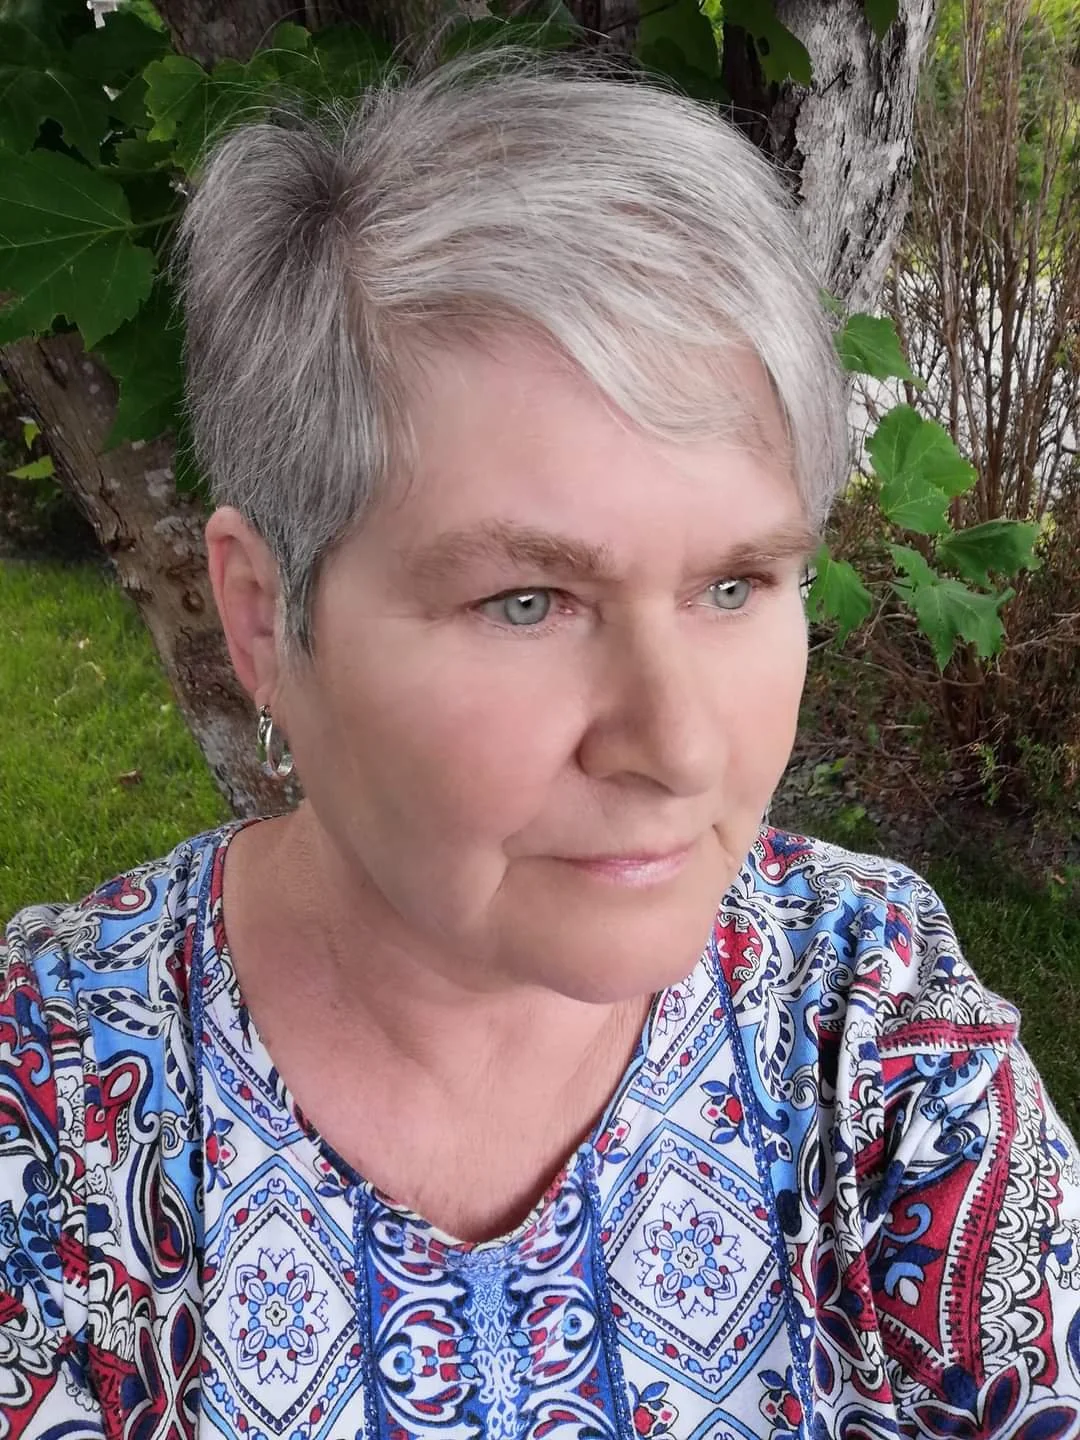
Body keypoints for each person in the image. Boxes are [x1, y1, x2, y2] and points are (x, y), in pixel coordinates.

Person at [2, 45, 1078, 1440]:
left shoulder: (872, 1037)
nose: (679, 748)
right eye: (529, 601)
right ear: (265, 616)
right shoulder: (51, 1111)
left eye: (736, 584)